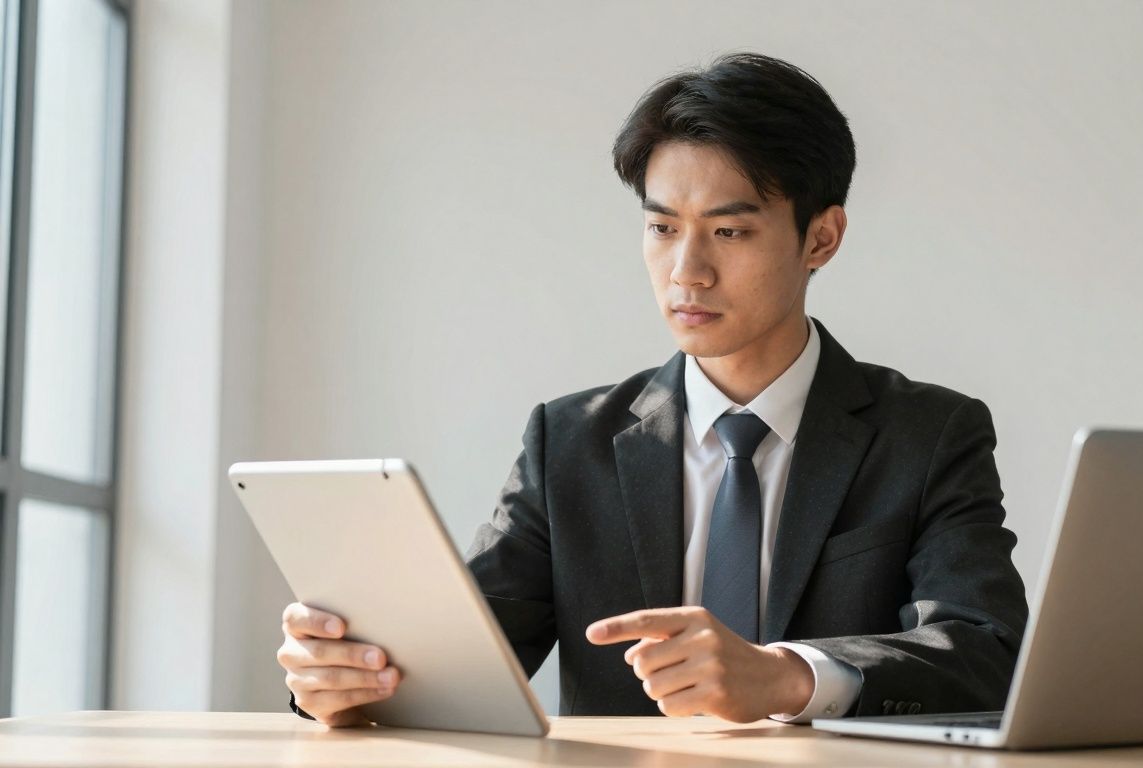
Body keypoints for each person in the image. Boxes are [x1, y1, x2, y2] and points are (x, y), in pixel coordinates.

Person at [275, 52, 1028, 727]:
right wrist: (346, 678)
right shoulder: (569, 440)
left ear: (822, 238)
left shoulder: (929, 435)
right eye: (663, 228)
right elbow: (460, 658)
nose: (686, 272)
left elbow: (984, 649)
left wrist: (786, 676)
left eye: (729, 232)